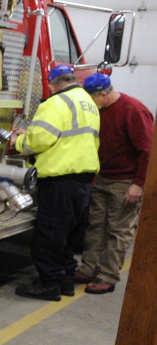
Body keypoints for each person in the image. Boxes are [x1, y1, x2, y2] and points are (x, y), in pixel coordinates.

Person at [11, 64, 100, 301]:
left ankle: (48, 284)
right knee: (67, 236)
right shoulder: (88, 102)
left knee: (49, 235)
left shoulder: (55, 103)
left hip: (60, 180)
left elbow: (39, 141)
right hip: (82, 181)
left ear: (52, 84)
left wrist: (19, 142)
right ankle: (65, 281)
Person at [74, 73, 153, 294]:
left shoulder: (133, 111)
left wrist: (138, 184)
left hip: (125, 182)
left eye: (93, 99)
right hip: (102, 177)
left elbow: (147, 151)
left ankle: (107, 276)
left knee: (118, 231)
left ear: (105, 94)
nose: (91, 104)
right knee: (95, 226)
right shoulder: (98, 110)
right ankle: (89, 268)